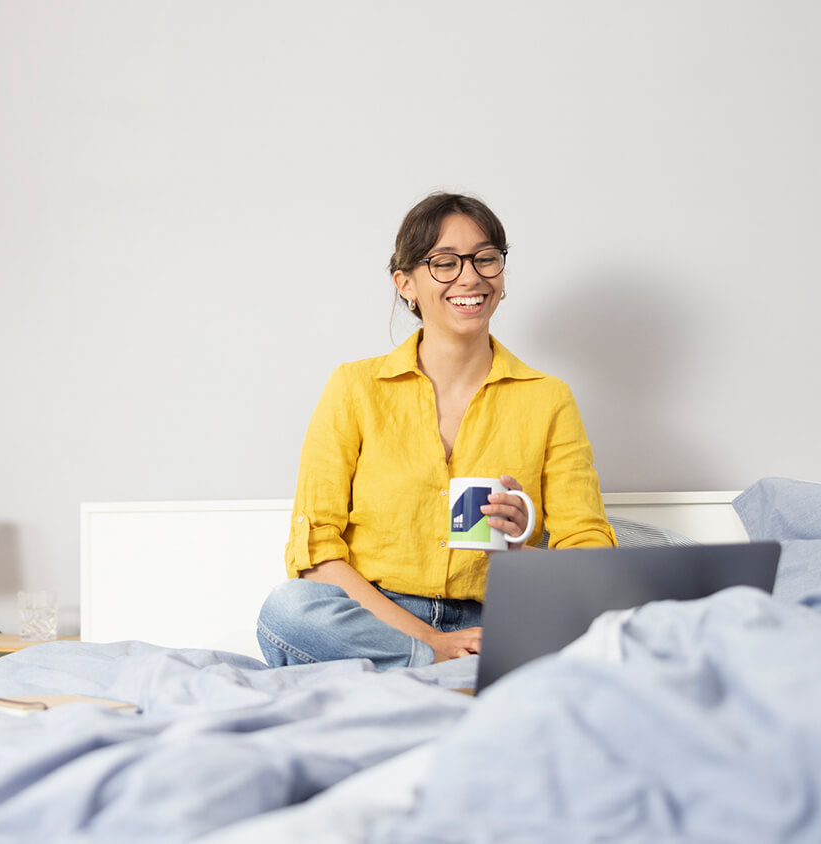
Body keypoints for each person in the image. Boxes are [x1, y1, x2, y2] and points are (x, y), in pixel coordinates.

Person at [256, 192, 616, 670]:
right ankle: (441, 664)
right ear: (405, 284)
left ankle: (427, 668)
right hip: (378, 617)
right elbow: (317, 553)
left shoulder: (548, 398)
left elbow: (588, 555)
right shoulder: (354, 387)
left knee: (603, 622)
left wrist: (520, 550)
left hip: (496, 616)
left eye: (485, 259)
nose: (470, 277)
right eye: (445, 263)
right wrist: (432, 641)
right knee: (287, 609)